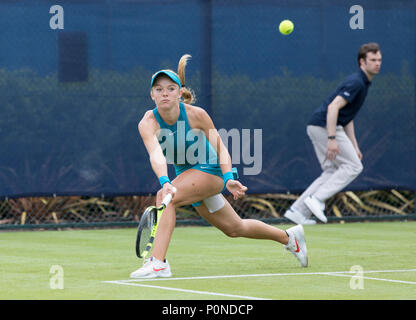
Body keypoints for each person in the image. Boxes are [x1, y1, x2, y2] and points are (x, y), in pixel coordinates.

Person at [130, 54, 308, 278]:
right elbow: (156, 155)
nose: (164, 93)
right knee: (235, 228)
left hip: (211, 171)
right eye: (158, 89)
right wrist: (165, 181)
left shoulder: (197, 115)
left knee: (166, 199)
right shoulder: (147, 123)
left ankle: (159, 263)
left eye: (170, 88)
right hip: (187, 176)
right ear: (151, 95)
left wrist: (228, 177)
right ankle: (290, 238)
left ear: (179, 93)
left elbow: (221, 148)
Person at [284, 43, 382, 225]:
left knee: (332, 170)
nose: (377, 63)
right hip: (324, 126)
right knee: (354, 166)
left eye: (379, 60)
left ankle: (297, 211)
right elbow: (333, 108)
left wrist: (354, 145)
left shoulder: (363, 83)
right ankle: (317, 199)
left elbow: (348, 117)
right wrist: (331, 139)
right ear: (362, 62)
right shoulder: (357, 82)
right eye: (373, 60)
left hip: (319, 126)